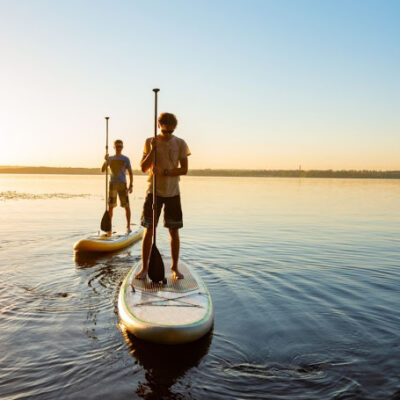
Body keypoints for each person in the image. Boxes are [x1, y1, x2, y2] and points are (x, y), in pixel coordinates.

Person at [135, 112, 190, 280]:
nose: (168, 135)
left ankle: (174, 267)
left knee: (174, 231)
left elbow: (184, 169)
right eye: (165, 131)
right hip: (154, 192)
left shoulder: (180, 143)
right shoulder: (150, 142)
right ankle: (145, 268)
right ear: (159, 126)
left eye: (171, 131)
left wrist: (165, 171)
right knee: (149, 229)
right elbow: (144, 168)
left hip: (173, 192)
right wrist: (153, 150)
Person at [101, 139, 133, 234]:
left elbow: (131, 173)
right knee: (110, 207)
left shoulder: (126, 159)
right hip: (112, 185)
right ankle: (109, 227)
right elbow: (103, 170)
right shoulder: (110, 158)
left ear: (122, 147)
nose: (119, 148)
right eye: (117, 146)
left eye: (120, 146)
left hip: (122, 185)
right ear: (114, 147)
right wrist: (105, 160)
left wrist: (131, 186)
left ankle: (128, 226)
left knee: (126, 206)